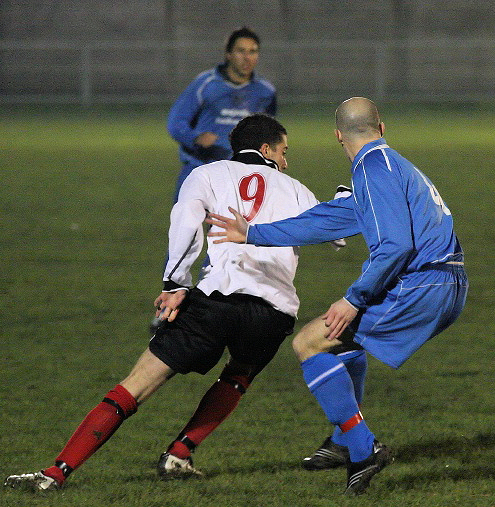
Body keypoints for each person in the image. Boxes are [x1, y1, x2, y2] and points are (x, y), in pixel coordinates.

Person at [4, 114, 331, 491]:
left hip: (217, 300)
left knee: (137, 385)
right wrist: (342, 199)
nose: (287, 161)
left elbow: (186, 220)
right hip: (273, 313)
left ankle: (54, 475)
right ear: (266, 149)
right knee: (238, 376)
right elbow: (333, 233)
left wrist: (176, 282)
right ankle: (179, 453)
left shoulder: (208, 174)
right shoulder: (297, 189)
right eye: (284, 151)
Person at [205, 97, 469, 495]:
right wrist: (254, 234)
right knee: (344, 343)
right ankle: (343, 440)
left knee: (309, 342)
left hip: (424, 284)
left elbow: (395, 245)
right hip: (445, 282)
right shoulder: (389, 163)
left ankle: (364, 450)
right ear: (381, 127)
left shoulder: (373, 168)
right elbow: (329, 219)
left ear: (337, 135)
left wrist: (354, 298)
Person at [167, 26, 277, 202]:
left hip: (239, 177)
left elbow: (268, 132)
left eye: (253, 51)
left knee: (227, 230)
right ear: (228, 54)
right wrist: (195, 138)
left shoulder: (265, 92)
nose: (247, 58)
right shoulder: (206, 84)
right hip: (199, 169)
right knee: (185, 228)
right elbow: (176, 121)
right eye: (241, 51)